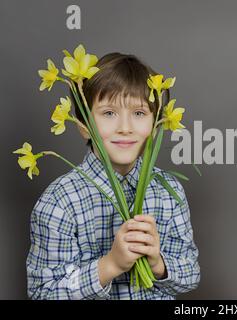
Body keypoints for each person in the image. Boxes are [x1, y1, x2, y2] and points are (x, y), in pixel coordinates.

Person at [26, 52, 200, 299]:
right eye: (109, 113)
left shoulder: (167, 190)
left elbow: (190, 274)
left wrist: (157, 264)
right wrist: (111, 265)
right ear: (83, 125)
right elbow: (42, 294)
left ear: (156, 122)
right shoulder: (59, 201)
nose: (125, 127)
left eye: (139, 113)